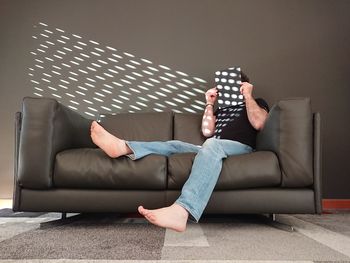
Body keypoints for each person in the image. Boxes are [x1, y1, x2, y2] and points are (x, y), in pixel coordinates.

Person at [90, 74, 269, 232]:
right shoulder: (221, 111)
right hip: (214, 147)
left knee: (212, 143)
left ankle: (182, 211)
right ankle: (125, 147)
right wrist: (209, 102)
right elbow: (207, 131)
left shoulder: (256, 103)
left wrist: (247, 95)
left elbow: (259, 123)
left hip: (241, 148)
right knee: (176, 144)